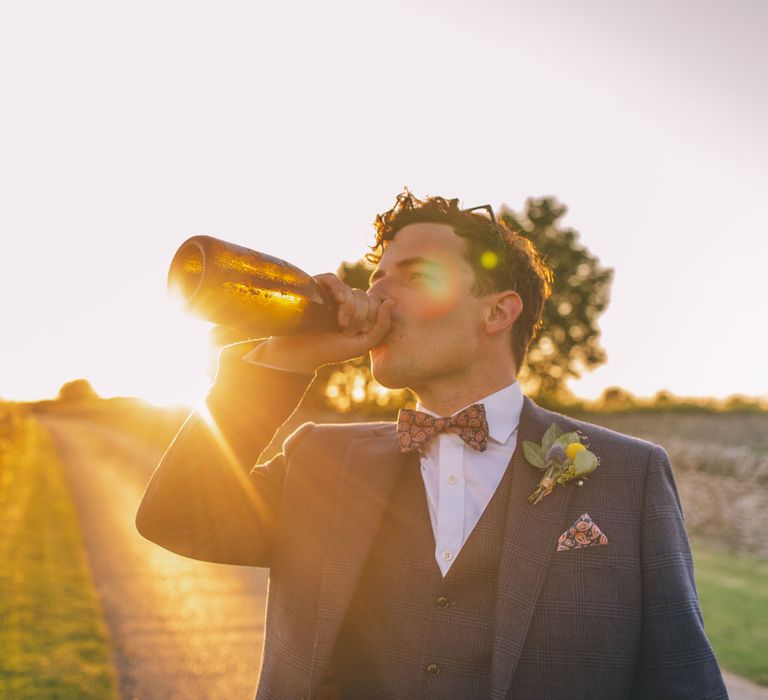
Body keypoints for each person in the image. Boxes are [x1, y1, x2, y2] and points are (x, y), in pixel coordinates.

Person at [136, 192, 727, 699]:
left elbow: (684, 682)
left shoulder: (631, 474)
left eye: (415, 277)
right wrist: (281, 364)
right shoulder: (318, 459)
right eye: (377, 281)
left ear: (498, 312)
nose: (380, 299)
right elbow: (177, 516)